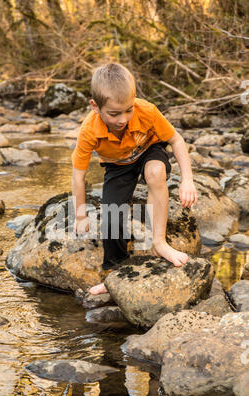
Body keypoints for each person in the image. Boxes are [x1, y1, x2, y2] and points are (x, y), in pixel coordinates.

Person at [72, 63, 197, 295]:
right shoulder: (89, 130)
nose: (123, 119)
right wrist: (80, 215)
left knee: (155, 173)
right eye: (114, 113)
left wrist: (187, 180)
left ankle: (159, 243)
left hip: (149, 150)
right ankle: (114, 274)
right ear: (95, 107)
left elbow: (176, 140)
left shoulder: (146, 111)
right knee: (111, 218)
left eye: (128, 110)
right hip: (117, 166)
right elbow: (78, 176)